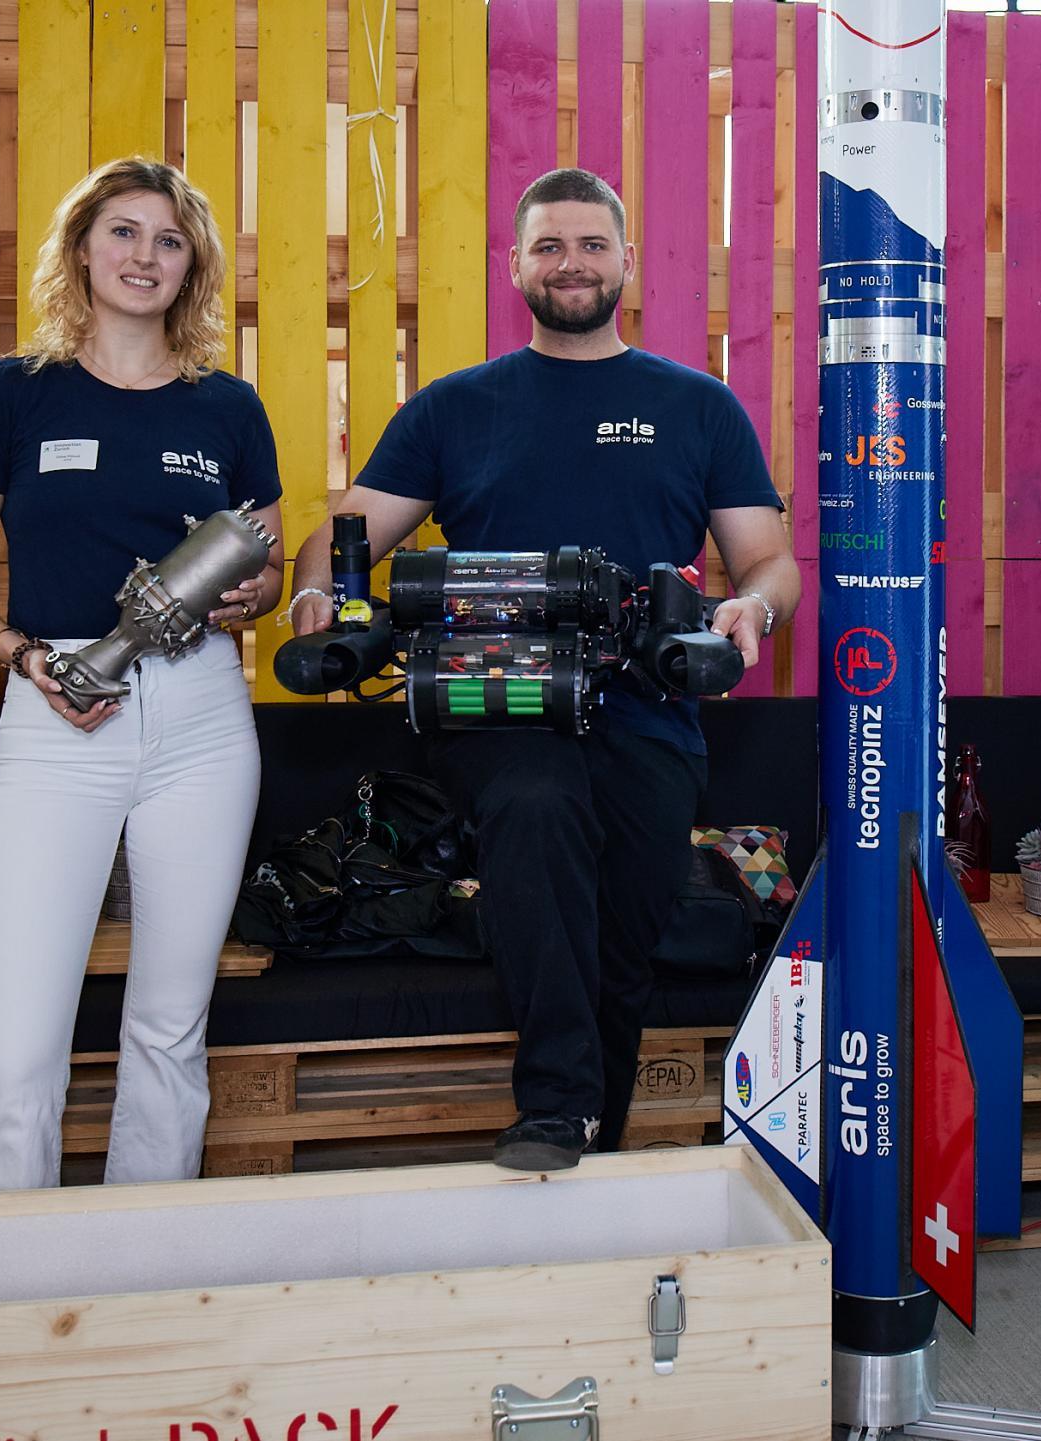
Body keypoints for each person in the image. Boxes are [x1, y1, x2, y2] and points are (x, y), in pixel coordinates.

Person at [289, 167, 797, 1171]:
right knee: (537, 801)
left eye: (592, 245)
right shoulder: (453, 409)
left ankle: (585, 1140)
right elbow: (344, 535)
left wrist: (755, 606)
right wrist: (320, 592)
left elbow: (768, 559)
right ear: (514, 266)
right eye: (550, 247)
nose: (572, 263)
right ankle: (559, 1105)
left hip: (649, 713)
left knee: (622, 937)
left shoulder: (697, 407)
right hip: (497, 702)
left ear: (627, 262)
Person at [0, 157, 286, 1192]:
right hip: (56, 706)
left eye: (169, 240)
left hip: (202, 719)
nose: (144, 256)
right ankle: (5, 1271)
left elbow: (265, 564)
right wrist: (24, 655)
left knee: (169, 1029)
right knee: (20, 1046)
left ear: (191, 267)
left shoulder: (228, 408)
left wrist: (248, 598)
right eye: (123, 231)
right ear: (81, 248)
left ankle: (143, 1263)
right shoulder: (14, 394)